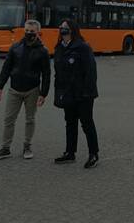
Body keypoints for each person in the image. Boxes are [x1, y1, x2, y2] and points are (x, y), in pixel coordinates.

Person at [0, 19, 51, 161]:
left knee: (30, 119)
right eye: (27, 31)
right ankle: (5, 148)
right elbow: (6, 68)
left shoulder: (43, 51)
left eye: (32, 31)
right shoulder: (15, 47)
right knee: (9, 119)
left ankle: (27, 146)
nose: (29, 33)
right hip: (14, 89)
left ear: (38, 33)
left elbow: (46, 74)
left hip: (32, 90)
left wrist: (44, 93)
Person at [52, 19, 99, 169]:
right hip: (67, 93)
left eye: (65, 28)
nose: (62, 30)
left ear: (72, 30)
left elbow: (91, 72)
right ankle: (70, 152)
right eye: (61, 27)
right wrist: (58, 91)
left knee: (87, 123)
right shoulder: (59, 48)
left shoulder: (83, 47)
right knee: (70, 123)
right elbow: (58, 73)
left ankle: (94, 154)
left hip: (84, 94)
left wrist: (87, 92)